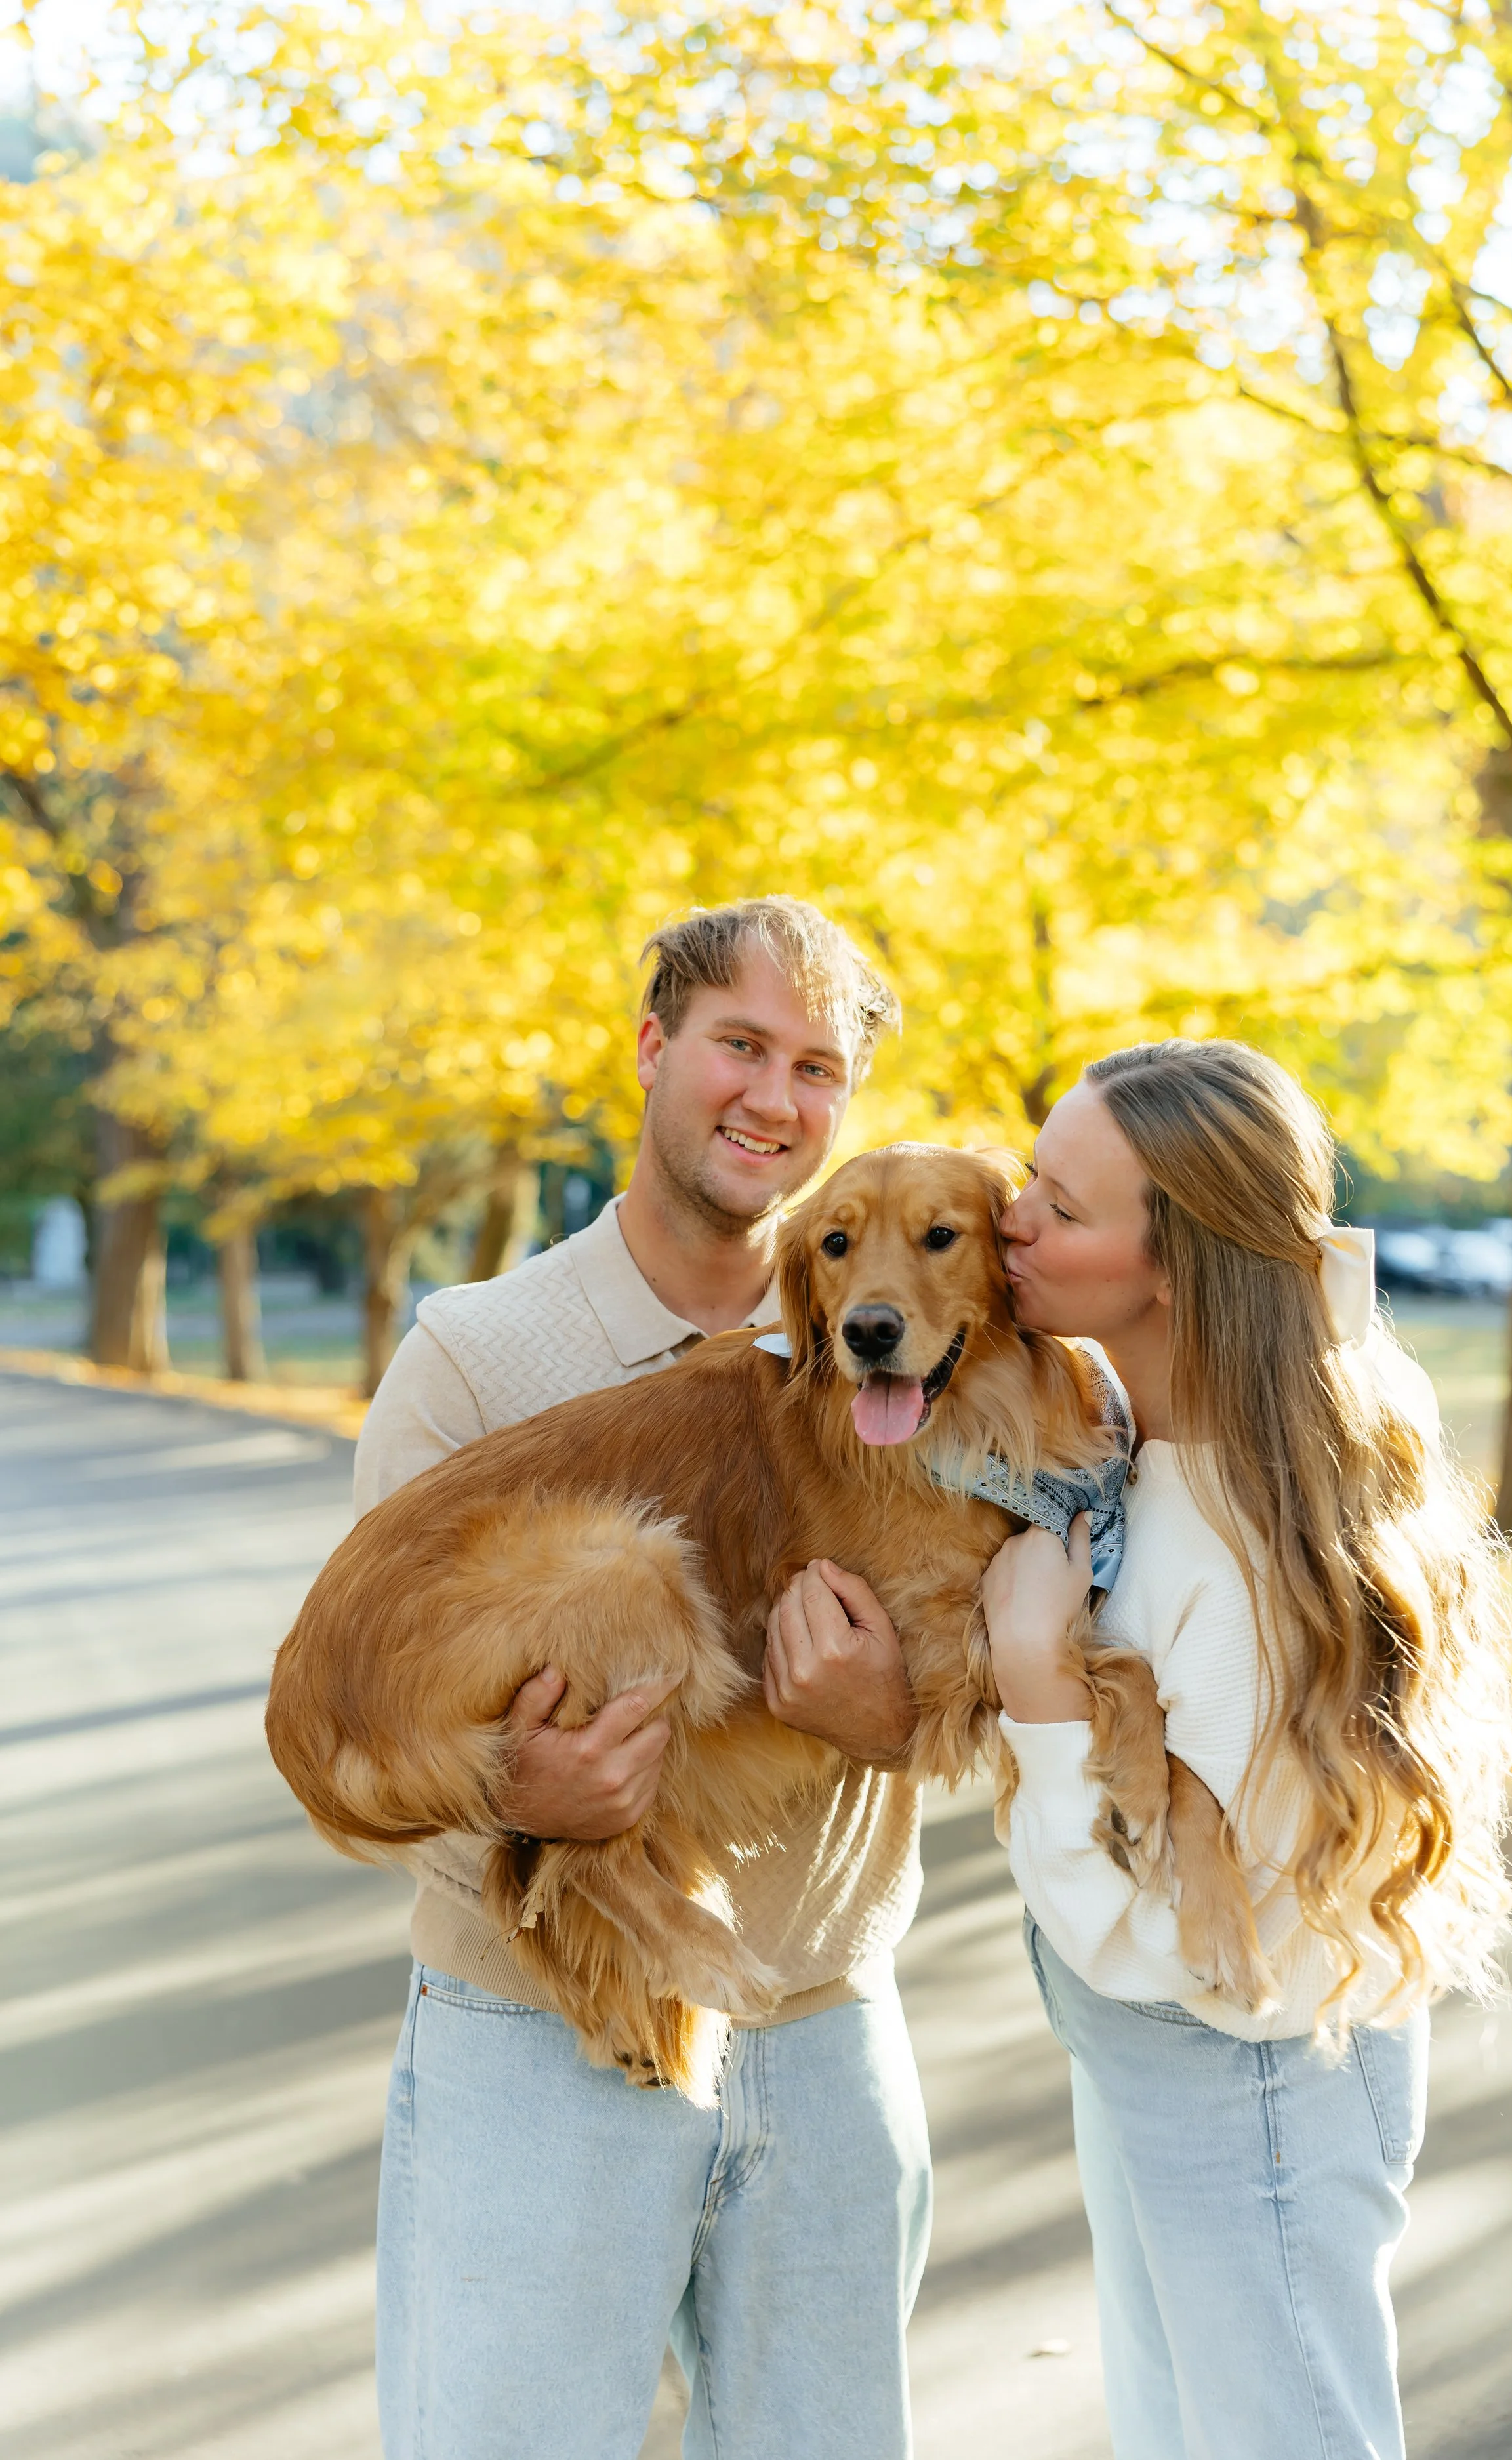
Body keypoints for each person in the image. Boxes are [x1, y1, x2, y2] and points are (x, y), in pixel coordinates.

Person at [356, 897, 932, 2460]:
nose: (772, 1097)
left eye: (815, 1067)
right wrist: (510, 1796)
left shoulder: (894, 1348)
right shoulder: (475, 1359)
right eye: (738, 1044)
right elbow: (366, 1731)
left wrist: (902, 1724)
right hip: (538, 2043)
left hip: (824, 2032)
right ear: (653, 1046)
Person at [957, 1040, 1510, 2458]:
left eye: (1062, 1211)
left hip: (1238, 2071)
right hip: (1168, 2069)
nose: (1011, 1219)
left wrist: (1033, 1676)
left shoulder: (1240, 1549)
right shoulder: (1179, 1434)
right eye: (1030, 1175)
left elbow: (1155, 1939)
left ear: (1177, 1268)